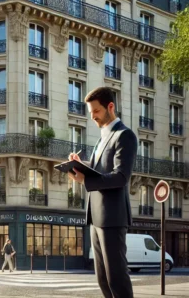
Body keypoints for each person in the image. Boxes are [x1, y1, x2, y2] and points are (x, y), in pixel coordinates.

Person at [68, 87, 137, 298]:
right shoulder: (101, 138)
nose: (93, 117)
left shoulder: (124, 135)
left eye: (96, 111)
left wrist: (86, 179)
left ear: (110, 106)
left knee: (116, 278)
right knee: (102, 279)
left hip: (112, 217)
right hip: (96, 217)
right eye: (90, 113)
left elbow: (120, 177)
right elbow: (100, 170)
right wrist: (81, 165)